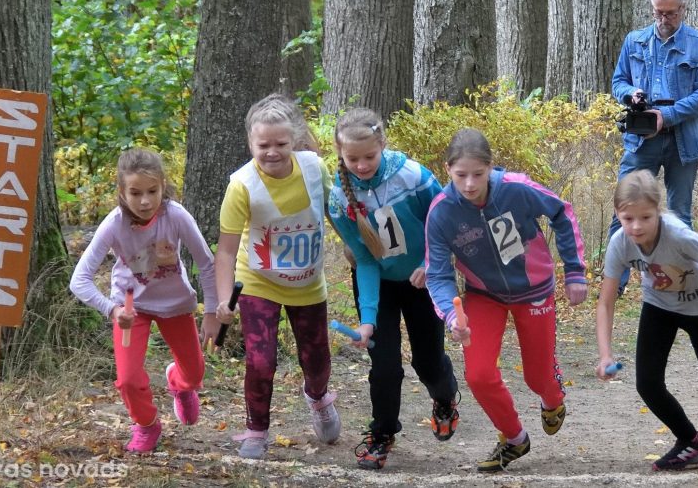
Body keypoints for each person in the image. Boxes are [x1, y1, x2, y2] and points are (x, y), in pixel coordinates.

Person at [425, 128, 588, 473]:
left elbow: (562, 212)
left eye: (478, 174)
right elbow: (437, 274)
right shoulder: (441, 212)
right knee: (479, 375)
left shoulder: (516, 188)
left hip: (535, 291)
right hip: (484, 296)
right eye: (460, 175)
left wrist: (575, 271)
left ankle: (552, 397)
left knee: (537, 378)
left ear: (491, 167)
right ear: (447, 169)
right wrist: (452, 316)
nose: (469, 184)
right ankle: (514, 438)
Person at [594, 170, 698, 472]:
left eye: (645, 217)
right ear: (617, 214)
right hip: (659, 304)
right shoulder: (619, 243)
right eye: (628, 218)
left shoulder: (679, 236)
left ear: (658, 211)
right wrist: (605, 354)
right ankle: (691, 442)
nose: (636, 226)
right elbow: (605, 302)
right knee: (647, 384)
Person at [327, 108, 459, 470]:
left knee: (427, 362)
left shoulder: (413, 176)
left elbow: (444, 222)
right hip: (379, 285)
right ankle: (382, 434)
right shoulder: (339, 199)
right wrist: (367, 320)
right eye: (352, 158)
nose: (361, 165)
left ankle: (445, 397)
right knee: (384, 366)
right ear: (340, 154)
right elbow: (365, 260)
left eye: (369, 156)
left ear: (383, 144)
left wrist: (431, 264)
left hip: (422, 280)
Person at [212, 94, 339, 459]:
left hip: (307, 282)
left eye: (281, 144)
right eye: (263, 145)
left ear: (294, 140)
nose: (271, 152)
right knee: (261, 359)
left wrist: (355, 247)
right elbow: (225, 250)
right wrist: (224, 299)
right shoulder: (241, 185)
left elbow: (335, 213)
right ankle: (256, 430)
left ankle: (318, 398)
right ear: (250, 142)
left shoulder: (314, 168)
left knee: (317, 360)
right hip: (258, 281)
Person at [69, 148, 218, 453]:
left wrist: (212, 312)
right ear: (122, 192)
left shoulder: (176, 216)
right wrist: (112, 310)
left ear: (163, 186)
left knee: (194, 373)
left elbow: (207, 264)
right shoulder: (114, 223)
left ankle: (179, 384)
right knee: (127, 379)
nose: (145, 201)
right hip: (130, 309)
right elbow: (79, 279)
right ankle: (147, 424)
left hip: (175, 305)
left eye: (152, 191)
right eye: (135, 193)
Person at [610, 0, 698, 232]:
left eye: (670, 13)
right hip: (641, 139)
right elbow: (618, 82)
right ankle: (617, 260)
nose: (663, 19)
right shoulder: (634, 41)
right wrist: (631, 94)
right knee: (624, 210)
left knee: (679, 216)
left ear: (683, 9)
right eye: (658, 12)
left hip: (684, 140)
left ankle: (676, 260)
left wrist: (665, 115)